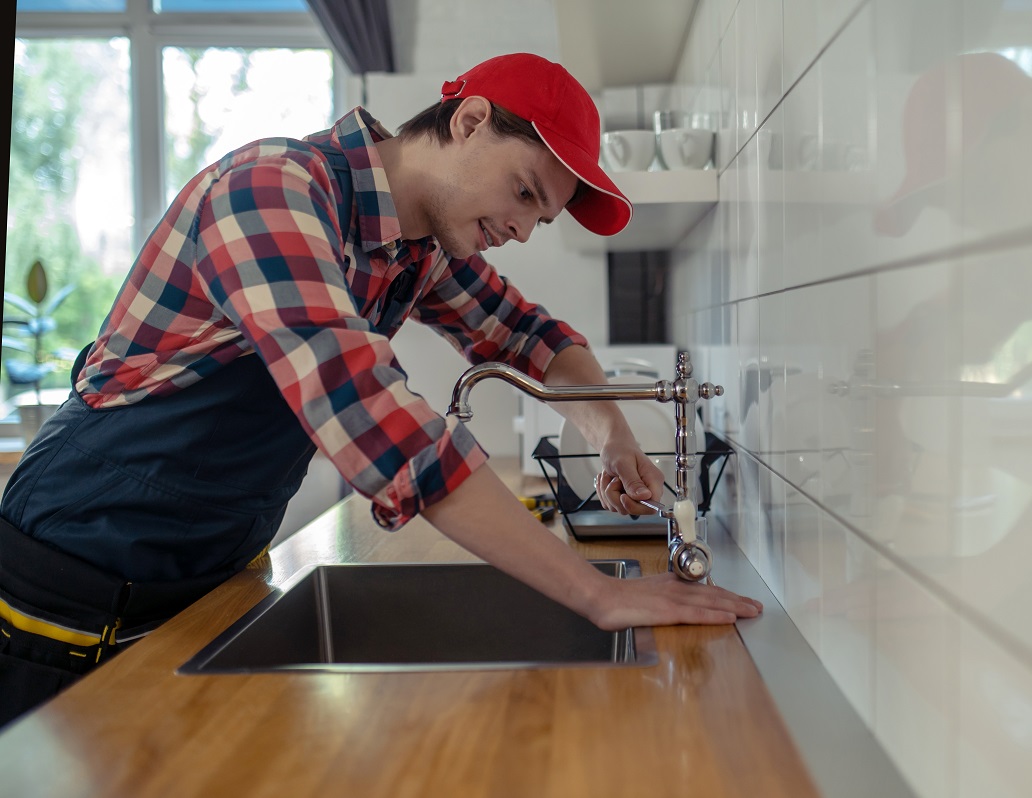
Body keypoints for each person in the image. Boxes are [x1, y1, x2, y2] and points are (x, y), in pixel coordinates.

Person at [0, 52, 762, 727]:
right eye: (525, 193)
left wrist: (615, 438)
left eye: (543, 215)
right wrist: (596, 595)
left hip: (205, 574)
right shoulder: (268, 192)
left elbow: (539, 340)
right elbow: (373, 412)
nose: (525, 229)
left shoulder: (414, 250)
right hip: (71, 579)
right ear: (469, 122)